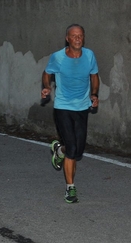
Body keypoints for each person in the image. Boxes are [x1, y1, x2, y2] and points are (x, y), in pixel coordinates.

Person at [41, 24, 99, 204]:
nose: (77, 38)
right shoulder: (57, 57)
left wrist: (95, 94)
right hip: (63, 107)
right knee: (73, 149)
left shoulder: (89, 56)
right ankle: (70, 188)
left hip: (82, 107)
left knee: (78, 149)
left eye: (80, 35)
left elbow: (94, 76)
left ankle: (60, 149)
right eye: (74, 36)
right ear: (67, 38)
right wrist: (46, 87)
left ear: (83, 37)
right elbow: (46, 73)